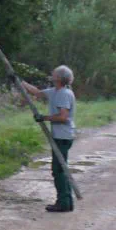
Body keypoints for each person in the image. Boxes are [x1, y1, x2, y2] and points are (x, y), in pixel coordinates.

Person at [16, 65, 76, 213]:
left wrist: (44, 118)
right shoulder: (55, 91)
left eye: (54, 73)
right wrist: (19, 81)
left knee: (58, 170)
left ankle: (63, 203)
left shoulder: (64, 94)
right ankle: (66, 202)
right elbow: (36, 92)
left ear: (59, 78)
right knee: (60, 169)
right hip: (60, 135)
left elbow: (63, 117)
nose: (51, 75)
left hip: (63, 136)